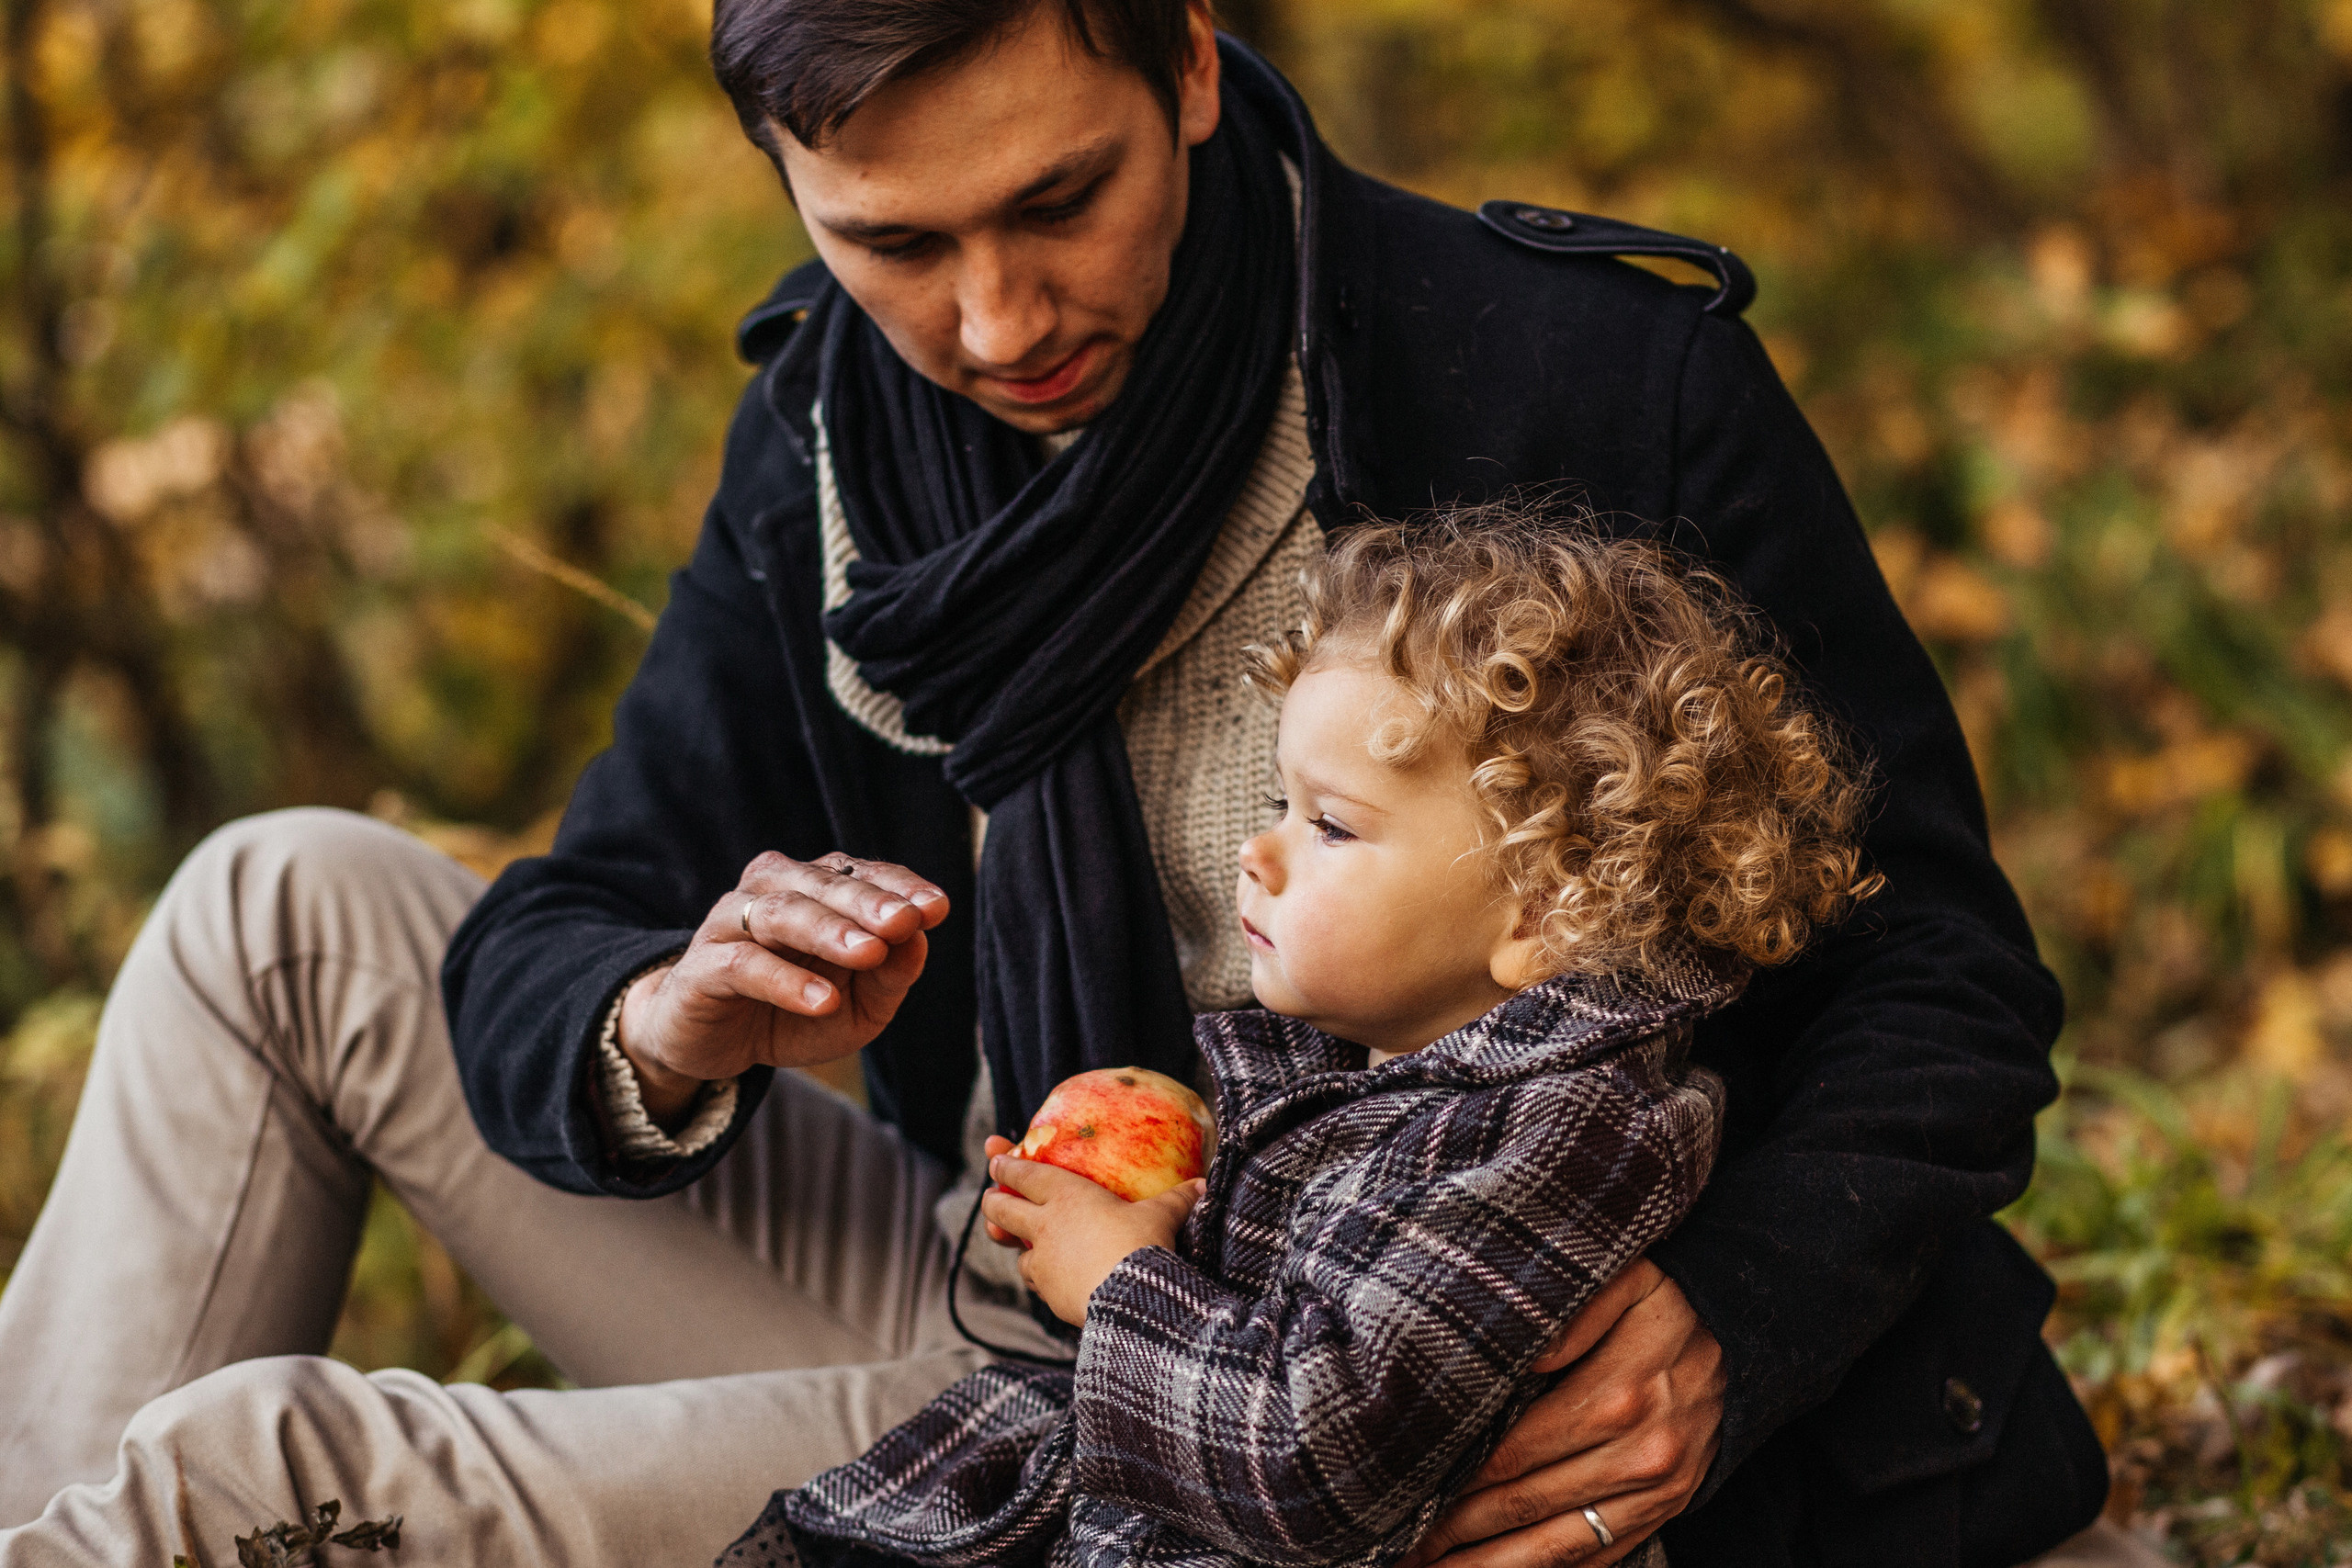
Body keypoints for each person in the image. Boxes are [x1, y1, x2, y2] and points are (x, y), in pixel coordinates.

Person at [0, 0, 2112, 1563]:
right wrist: (675, 1013)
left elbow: (1928, 964)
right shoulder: (836, 444)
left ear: (1188, 64)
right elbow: (583, 906)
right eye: (889, 241)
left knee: (244, 1473)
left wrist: (1726, 1317)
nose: (995, 320)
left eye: (1055, 201)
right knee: (272, 899)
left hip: (1279, 1391)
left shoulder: (1564, 376)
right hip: (1016, 1257)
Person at [735, 513, 1876, 1568]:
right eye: (1281, 805)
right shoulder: (1391, 1075)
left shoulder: (1551, 1135)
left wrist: (1121, 1280)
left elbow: (1311, 1462)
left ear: (1544, 911)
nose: (1258, 854)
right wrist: (1182, 1242)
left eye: (1328, 824)